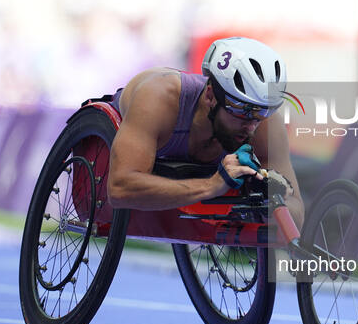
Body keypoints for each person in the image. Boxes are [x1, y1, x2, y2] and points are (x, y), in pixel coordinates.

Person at [107, 37, 304, 228]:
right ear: (210, 95)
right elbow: (119, 188)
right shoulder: (158, 98)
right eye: (241, 109)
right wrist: (212, 186)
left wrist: (277, 199)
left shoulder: (267, 123)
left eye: (262, 111)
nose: (251, 125)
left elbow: (297, 214)